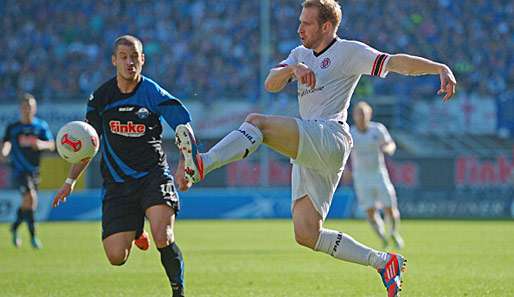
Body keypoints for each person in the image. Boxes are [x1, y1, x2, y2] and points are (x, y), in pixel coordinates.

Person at [176, 1, 456, 296]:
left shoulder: (350, 52)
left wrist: (440, 67)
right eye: (300, 22)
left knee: (257, 123)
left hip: (331, 135)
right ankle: (384, 262)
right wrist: (292, 70)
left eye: (306, 23)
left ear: (326, 26)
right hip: (313, 145)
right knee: (307, 234)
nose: (299, 29)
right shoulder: (299, 54)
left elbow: (396, 62)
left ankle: (203, 163)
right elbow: (271, 83)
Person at [52, 35, 194, 297]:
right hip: (118, 184)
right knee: (116, 256)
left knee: (163, 235)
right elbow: (87, 145)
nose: (130, 62)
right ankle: (137, 227)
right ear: (114, 60)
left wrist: (185, 162)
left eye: (135, 57)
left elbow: (184, 126)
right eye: (124, 57)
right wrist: (69, 182)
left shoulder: (152, 92)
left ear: (143, 59)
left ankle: (178, 292)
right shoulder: (101, 98)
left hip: (154, 175)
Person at [0, 93, 55, 249]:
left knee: (29, 204)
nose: (27, 109)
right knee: (31, 198)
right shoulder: (13, 127)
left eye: (30, 106)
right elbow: (7, 143)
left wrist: (40, 145)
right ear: (20, 108)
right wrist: (4, 152)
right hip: (18, 171)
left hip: (34, 172)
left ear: (34, 108)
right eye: (24, 107)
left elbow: (51, 144)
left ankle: (15, 227)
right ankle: (34, 237)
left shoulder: (40, 126)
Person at [349, 101, 404, 249]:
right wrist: (345, 172)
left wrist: (388, 148)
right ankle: (382, 237)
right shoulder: (351, 134)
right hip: (361, 177)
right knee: (370, 211)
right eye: (358, 114)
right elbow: (344, 154)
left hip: (379, 174)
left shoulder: (377, 129)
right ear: (354, 116)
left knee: (390, 208)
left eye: (364, 114)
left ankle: (393, 233)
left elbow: (391, 144)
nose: (361, 117)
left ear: (369, 115)